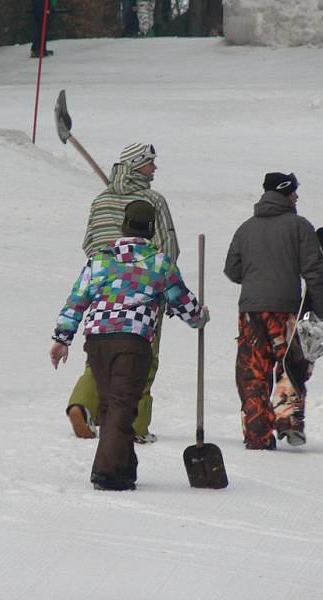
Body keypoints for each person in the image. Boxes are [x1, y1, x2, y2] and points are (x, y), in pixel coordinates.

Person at [51, 200, 208, 490]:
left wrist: (62, 338)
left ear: (124, 226)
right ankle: (106, 471)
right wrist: (200, 317)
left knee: (112, 405)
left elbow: (77, 299)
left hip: (96, 340)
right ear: (151, 230)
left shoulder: (100, 259)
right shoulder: (160, 262)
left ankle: (125, 468)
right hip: (132, 340)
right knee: (123, 405)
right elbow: (184, 302)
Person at [66, 142, 179, 445]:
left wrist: (105, 276)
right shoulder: (153, 201)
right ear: (136, 165)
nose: (154, 168)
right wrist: (165, 287)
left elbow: (89, 242)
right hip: (145, 294)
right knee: (143, 358)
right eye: (150, 163)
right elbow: (168, 246)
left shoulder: (101, 200)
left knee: (101, 358)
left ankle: (82, 403)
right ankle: (137, 425)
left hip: (103, 289)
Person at [224, 172, 323, 450]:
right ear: (285, 192)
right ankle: (288, 421)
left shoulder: (245, 228)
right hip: (286, 311)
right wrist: (318, 311)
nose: (297, 197)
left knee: (253, 370)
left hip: (250, 311)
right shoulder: (300, 226)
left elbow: (232, 270)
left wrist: (256, 276)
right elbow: (314, 273)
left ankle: (257, 433)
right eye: (294, 192)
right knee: (289, 364)